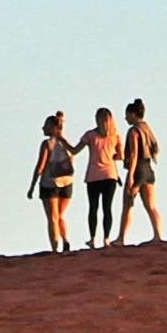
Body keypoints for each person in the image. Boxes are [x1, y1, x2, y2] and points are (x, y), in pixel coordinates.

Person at [115, 97, 165, 243]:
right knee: (151, 206)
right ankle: (158, 236)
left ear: (132, 114)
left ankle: (121, 238)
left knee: (127, 204)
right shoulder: (146, 128)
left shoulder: (133, 131)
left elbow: (134, 154)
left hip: (138, 169)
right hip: (148, 168)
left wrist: (131, 176)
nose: (125, 118)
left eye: (127, 114)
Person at [27, 112, 75, 252]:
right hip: (67, 182)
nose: (43, 128)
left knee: (52, 218)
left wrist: (32, 186)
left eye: (46, 126)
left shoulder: (47, 144)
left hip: (50, 183)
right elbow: (72, 159)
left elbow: (40, 167)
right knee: (59, 215)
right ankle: (65, 240)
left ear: (53, 127)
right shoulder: (66, 142)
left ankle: (55, 249)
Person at [77, 105, 122, 247]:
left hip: (94, 176)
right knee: (107, 208)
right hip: (110, 175)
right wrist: (112, 156)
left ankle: (92, 238)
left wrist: (62, 140)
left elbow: (74, 150)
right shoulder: (115, 136)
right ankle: (106, 238)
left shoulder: (90, 135)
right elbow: (121, 155)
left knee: (93, 208)